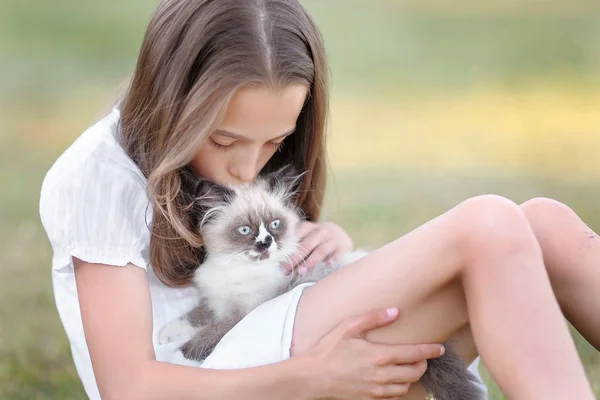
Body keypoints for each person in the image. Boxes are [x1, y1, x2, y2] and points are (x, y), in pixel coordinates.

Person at [39, 1, 599, 399]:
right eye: (225, 140)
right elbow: (130, 388)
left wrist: (325, 245)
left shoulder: (240, 163)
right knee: (488, 224)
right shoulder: (99, 176)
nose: (247, 167)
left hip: (274, 339)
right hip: (219, 377)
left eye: (275, 142)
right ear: (173, 101)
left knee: (544, 225)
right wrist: (308, 379)